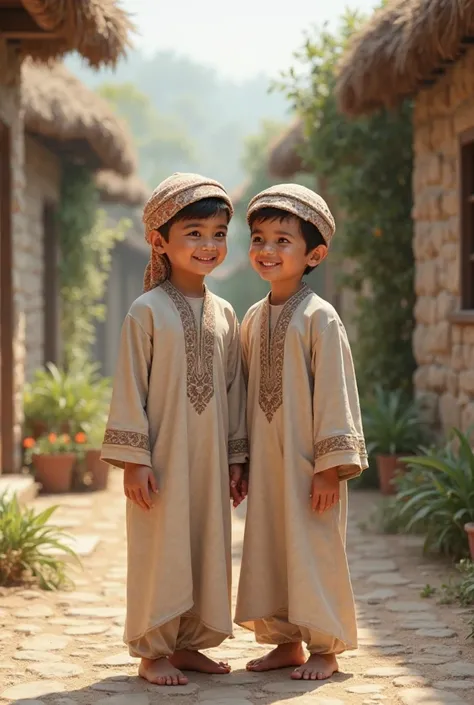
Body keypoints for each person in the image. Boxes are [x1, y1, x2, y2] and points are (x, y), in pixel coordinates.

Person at [101, 173, 249, 687]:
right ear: (159, 241)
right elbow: (129, 390)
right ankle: (153, 649)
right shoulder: (146, 312)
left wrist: (236, 459)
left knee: (205, 543)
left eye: (218, 233)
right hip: (161, 461)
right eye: (194, 233)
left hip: (208, 460)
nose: (208, 245)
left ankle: (189, 644)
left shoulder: (226, 314)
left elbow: (233, 391)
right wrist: (135, 461)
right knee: (161, 547)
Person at [234, 183, 367, 681]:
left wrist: (331, 470)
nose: (267, 250)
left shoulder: (320, 318)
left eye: (282, 241)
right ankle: (285, 641)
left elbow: (335, 394)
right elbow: (247, 395)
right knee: (270, 545)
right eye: (259, 239)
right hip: (268, 464)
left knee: (314, 548)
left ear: (315, 253)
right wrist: (241, 460)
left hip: (311, 465)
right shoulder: (252, 318)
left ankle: (326, 647)